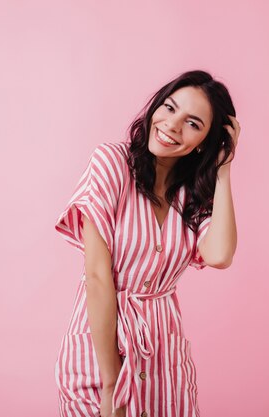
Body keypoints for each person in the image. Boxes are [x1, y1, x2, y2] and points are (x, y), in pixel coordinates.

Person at [54, 69, 240, 417]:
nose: (172, 125)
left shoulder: (193, 197)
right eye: (169, 108)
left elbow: (219, 255)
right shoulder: (111, 164)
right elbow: (96, 276)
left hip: (164, 364)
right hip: (99, 357)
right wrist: (112, 382)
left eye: (192, 123)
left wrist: (225, 168)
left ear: (204, 141)